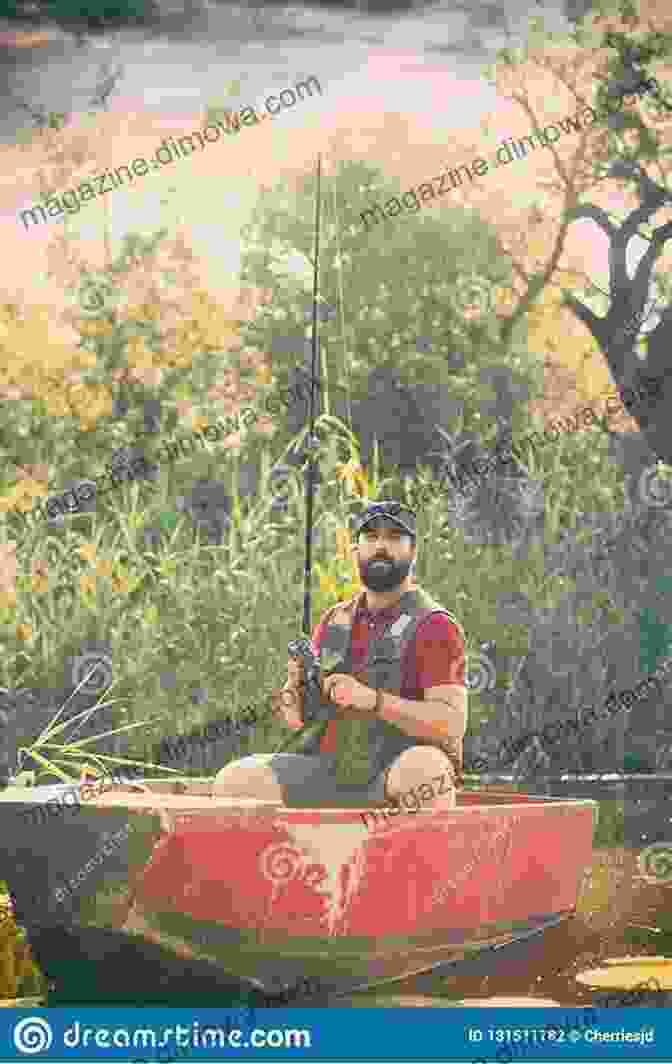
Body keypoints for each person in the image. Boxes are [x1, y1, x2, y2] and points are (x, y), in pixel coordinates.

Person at [213, 501, 467, 810]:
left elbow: (451, 724)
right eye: (371, 537)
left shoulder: (435, 626)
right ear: (356, 550)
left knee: (427, 773)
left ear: (413, 551)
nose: (381, 546)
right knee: (234, 781)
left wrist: (374, 701)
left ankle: (420, 855)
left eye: (394, 537)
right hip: (332, 770)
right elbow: (296, 719)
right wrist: (294, 687)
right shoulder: (335, 621)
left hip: (395, 773)